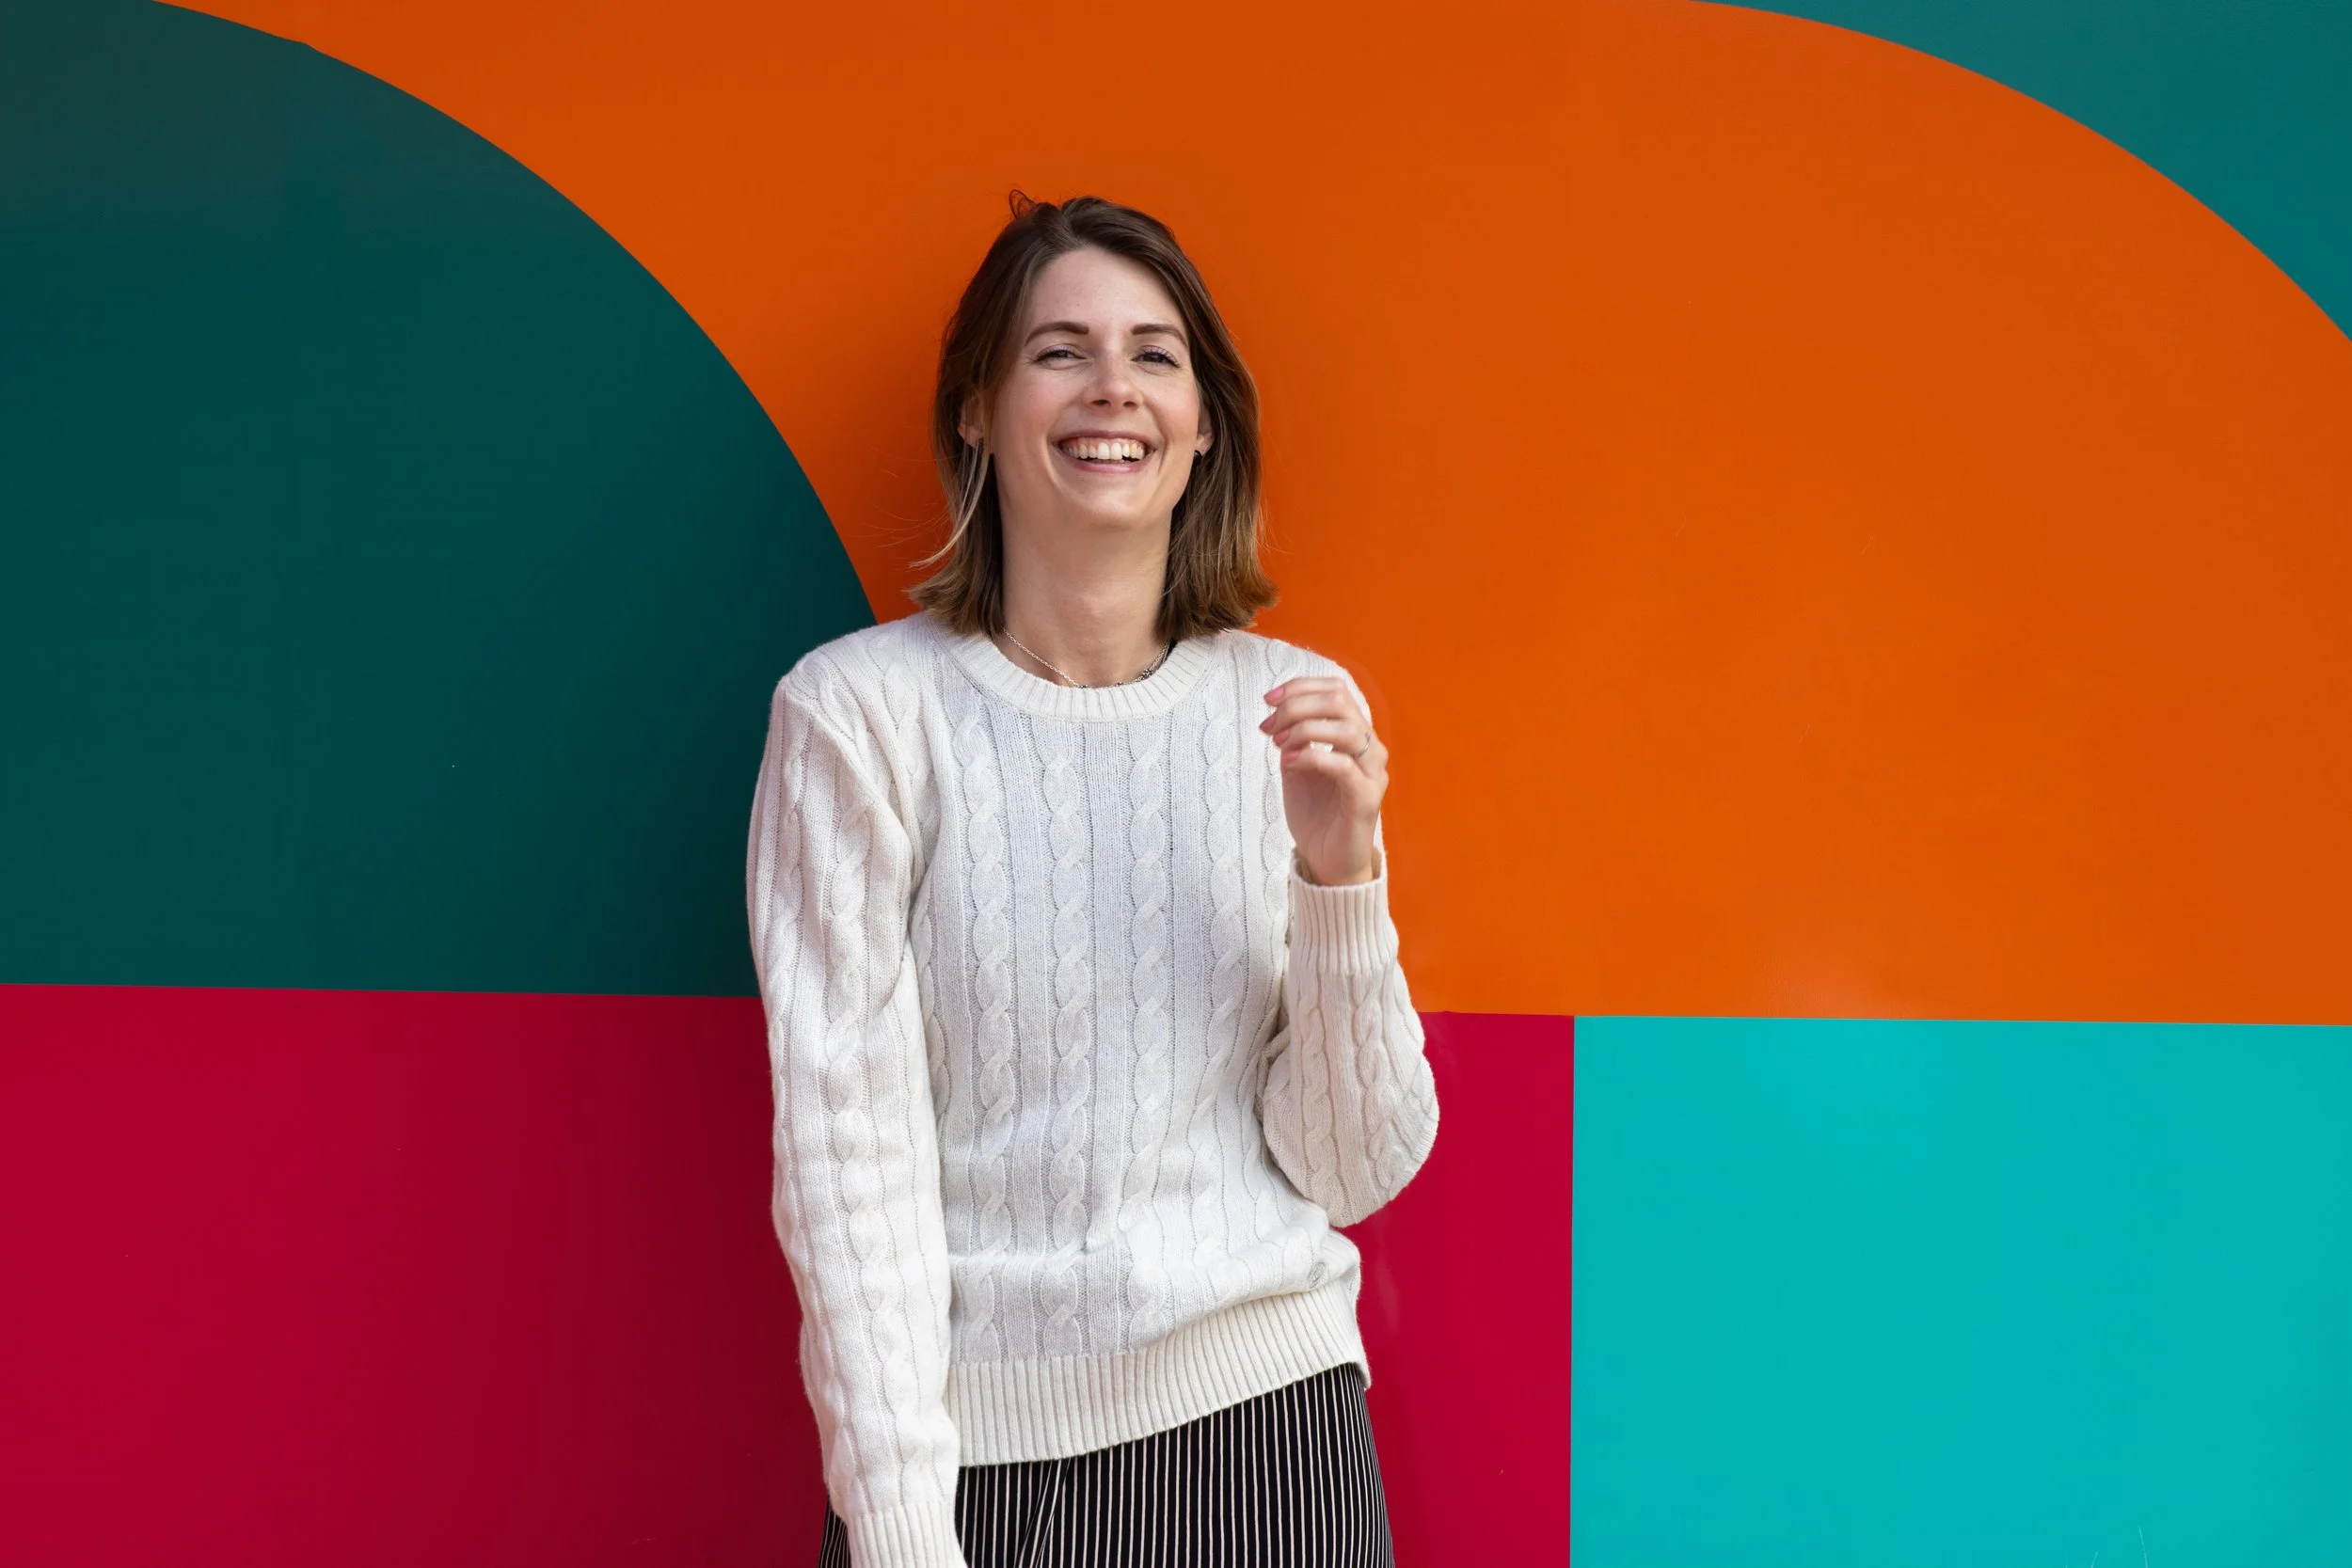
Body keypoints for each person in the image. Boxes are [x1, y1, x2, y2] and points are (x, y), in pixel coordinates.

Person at [746, 193, 1440, 1568]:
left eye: (1155, 354)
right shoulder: (859, 717)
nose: (1112, 386)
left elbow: (1354, 1166)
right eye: (1060, 350)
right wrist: (898, 1530)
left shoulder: (1295, 706)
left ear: (1199, 430)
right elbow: (847, 1168)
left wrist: (1340, 872)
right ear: (978, 411)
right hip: (976, 1466)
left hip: (1270, 1439)